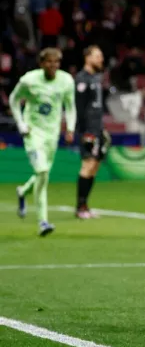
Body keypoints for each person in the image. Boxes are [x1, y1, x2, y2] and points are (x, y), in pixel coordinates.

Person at [10, 48, 76, 236]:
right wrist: (21, 124)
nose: (53, 65)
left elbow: (70, 107)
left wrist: (70, 128)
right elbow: (14, 100)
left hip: (52, 134)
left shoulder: (66, 81)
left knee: (43, 173)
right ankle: (43, 222)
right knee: (42, 171)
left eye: (56, 62)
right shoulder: (29, 80)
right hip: (33, 133)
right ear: (41, 63)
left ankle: (23, 191)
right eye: (49, 62)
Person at [74, 45, 110, 219]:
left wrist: (100, 129)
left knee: (95, 166)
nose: (101, 59)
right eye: (97, 56)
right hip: (88, 130)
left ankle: (85, 205)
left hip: (97, 128)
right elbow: (79, 109)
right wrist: (85, 131)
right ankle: (80, 207)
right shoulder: (81, 79)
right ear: (87, 58)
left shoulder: (95, 79)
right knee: (87, 165)